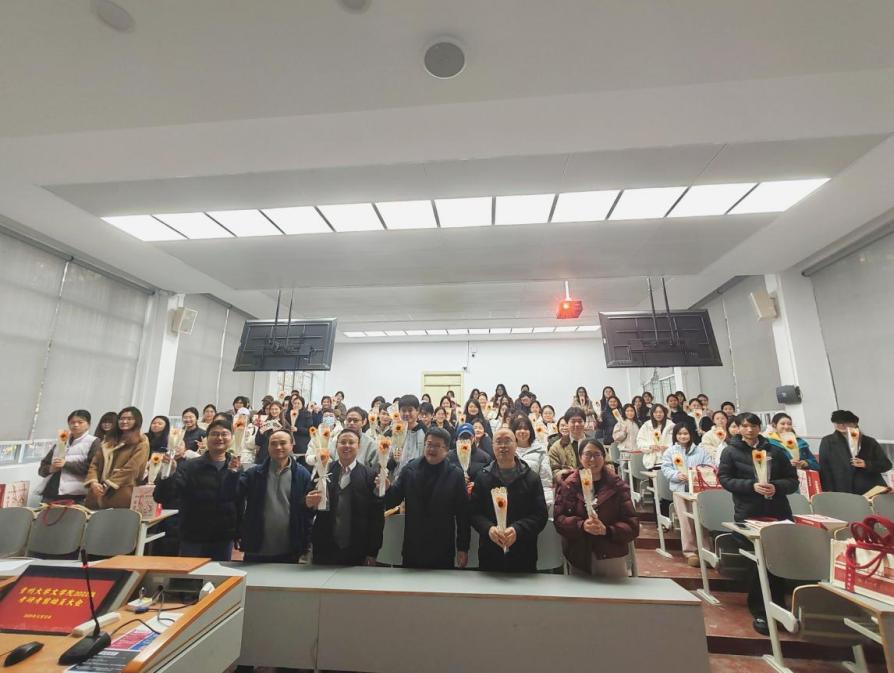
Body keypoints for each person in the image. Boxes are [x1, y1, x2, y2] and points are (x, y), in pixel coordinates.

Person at [718, 412, 799, 636]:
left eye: (753, 426)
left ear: (759, 427)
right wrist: (750, 486)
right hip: (748, 513)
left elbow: (792, 480)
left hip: (778, 512)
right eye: (745, 426)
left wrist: (776, 487)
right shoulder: (730, 452)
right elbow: (725, 479)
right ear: (738, 428)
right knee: (759, 561)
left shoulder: (775, 450)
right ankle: (761, 610)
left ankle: (779, 606)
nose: (750, 430)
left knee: (778, 559)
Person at [382, 427, 470, 569]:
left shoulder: (455, 474)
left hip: (442, 547)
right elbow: (393, 500)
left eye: (437, 446)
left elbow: (463, 515)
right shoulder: (410, 469)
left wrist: (463, 548)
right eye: (429, 444)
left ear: (446, 449)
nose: (431, 449)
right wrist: (386, 489)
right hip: (413, 546)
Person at [154, 419, 242, 561]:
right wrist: (168, 474)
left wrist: (238, 532)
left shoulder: (236, 467)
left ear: (231, 438)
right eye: (214, 434)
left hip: (223, 536)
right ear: (206, 438)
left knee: (219, 574)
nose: (219, 438)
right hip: (193, 535)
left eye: (224, 434)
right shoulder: (189, 466)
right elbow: (162, 497)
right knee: (189, 574)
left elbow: (238, 502)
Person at [554, 439, 639, 578]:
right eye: (587, 454)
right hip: (580, 556)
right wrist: (582, 525)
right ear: (580, 457)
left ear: (604, 457)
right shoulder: (569, 485)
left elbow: (632, 525)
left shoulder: (617, 485)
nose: (592, 459)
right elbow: (559, 520)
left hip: (611, 555)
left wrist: (607, 530)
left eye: (597, 454)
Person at [469, 428, 548, 573]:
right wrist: (488, 528)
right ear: (492, 446)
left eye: (508, 441)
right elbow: (474, 513)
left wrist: (518, 529)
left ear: (516, 444)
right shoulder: (482, 477)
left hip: (524, 555)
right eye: (498, 442)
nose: (503, 446)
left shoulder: (531, 478)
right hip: (490, 554)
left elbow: (540, 516)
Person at [306, 428, 384, 566]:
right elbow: (308, 503)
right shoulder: (324, 470)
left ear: (358, 446)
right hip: (324, 547)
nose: (347, 446)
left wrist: (372, 552)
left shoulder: (369, 475)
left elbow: (376, 517)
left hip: (357, 548)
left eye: (351, 442)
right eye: (342, 442)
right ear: (336, 446)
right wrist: (308, 502)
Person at [237, 430, 314, 563]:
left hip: (290, 549)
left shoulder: (302, 475)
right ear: (268, 447)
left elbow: (307, 513)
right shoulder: (254, 474)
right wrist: (233, 473)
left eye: (283, 443)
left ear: (292, 445)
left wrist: (305, 543)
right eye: (273, 444)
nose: (278, 447)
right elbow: (234, 496)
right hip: (257, 547)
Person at [661, 424, 713, 567]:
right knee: (686, 522)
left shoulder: (701, 451)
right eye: (680, 434)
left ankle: (706, 551)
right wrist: (677, 475)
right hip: (680, 490)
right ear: (675, 436)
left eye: (685, 433)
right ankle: (690, 552)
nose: (683, 436)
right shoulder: (670, 451)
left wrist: (696, 475)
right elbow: (666, 468)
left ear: (691, 434)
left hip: (698, 491)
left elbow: (709, 467)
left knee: (701, 521)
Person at [85, 406, 149, 509]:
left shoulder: (141, 442)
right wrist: (93, 482)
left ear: (137, 421)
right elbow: (94, 464)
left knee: (117, 518)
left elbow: (132, 468)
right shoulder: (108, 440)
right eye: (122, 418)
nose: (124, 421)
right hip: (97, 492)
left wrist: (109, 484)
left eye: (129, 419)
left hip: (122, 492)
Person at [819, 410, 891, 495]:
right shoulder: (828, 442)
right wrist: (828, 491)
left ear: (855, 423)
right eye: (838, 423)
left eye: (845, 423)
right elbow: (824, 469)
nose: (842, 425)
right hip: (843, 491)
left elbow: (886, 464)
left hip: (871, 490)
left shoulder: (869, 441)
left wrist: (867, 464)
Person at [38, 410, 101, 504]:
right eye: (72, 422)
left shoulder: (93, 441)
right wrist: (50, 469)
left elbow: (92, 468)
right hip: (50, 491)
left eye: (80, 422)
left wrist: (66, 464)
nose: (75, 425)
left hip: (75, 494)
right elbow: (42, 467)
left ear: (88, 424)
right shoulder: (63, 438)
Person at [510, 414, 554, 512]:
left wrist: (547, 501)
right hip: (512, 499)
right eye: (519, 429)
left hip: (534, 498)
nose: (522, 431)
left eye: (526, 429)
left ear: (531, 431)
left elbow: (546, 480)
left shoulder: (541, 451)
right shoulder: (508, 450)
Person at [387, 394, 427, 478]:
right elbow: (386, 464)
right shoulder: (393, 432)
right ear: (399, 411)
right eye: (403, 410)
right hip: (397, 479)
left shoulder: (425, 432)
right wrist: (394, 459)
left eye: (410, 410)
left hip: (418, 478)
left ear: (417, 411)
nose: (407, 413)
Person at [548, 407, 591, 483]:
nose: (577, 424)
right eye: (573, 421)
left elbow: (608, 464)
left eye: (580, 421)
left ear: (584, 422)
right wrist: (565, 473)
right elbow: (553, 471)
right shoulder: (556, 447)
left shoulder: (594, 444)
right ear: (567, 423)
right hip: (568, 486)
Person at [637, 404, 674, 469]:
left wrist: (668, 447)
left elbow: (677, 442)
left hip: (669, 460)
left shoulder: (671, 425)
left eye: (660, 412)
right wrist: (650, 446)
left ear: (664, 413)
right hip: (652, 461)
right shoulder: (646, 425)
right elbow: (640, 441)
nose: (658, 414)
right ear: (652, 414)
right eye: (656, 412)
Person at [254, 401, 285, 465]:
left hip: (278, 453)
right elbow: (258, 441)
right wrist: (261, 433)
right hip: (264, 453)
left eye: (276, 409)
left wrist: (279, 432)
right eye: (272, 409)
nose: (274, 411)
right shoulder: (265, 423)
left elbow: (288, 440)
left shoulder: (285, 424)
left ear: (280, 410)